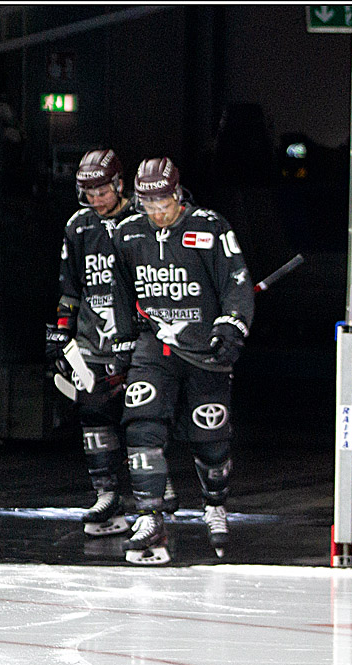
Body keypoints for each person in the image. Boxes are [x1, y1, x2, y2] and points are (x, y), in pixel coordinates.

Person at [109, 157, 254, 564]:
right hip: (156, 346)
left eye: (163, 203)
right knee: (142, 422)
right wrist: (122, 341)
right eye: (147, 204)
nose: (157, 213)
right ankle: (149, 515)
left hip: (203, 346)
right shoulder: (127, 232)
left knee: (210, 440)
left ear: (177, 193)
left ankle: (214, 505)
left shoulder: (209, 227)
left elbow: (236, 282)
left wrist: (231, 328)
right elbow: (120, 290)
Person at [46, 149, 177, 540]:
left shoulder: (144, 220)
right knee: (93, 412)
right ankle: (106, 494)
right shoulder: (78, 226)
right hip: (93, 339)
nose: (97, 199)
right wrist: (60, 334)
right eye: (88, 193)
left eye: (102, 190)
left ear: (119, 184)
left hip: (138, 334)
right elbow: (70, 289)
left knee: (142, 414)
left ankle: (157, 490)